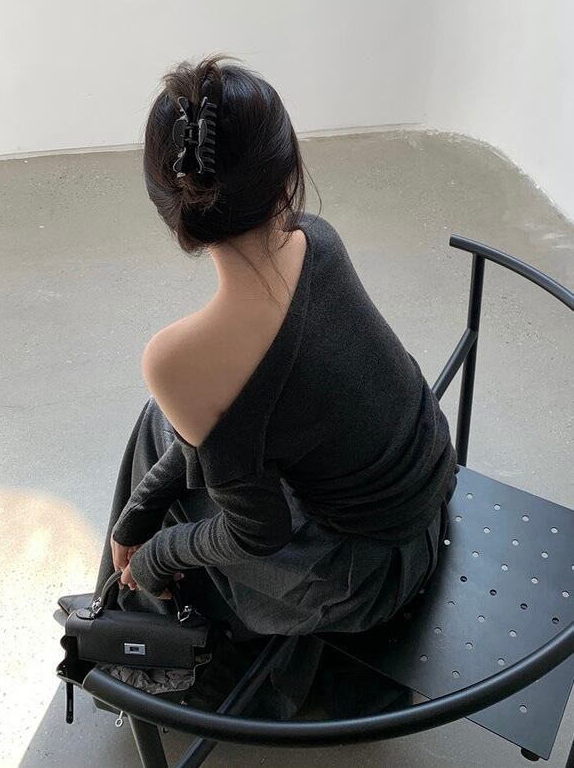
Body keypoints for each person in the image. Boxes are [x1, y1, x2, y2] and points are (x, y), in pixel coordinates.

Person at [90, 53, 458, 718]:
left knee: (166, 439)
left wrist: (157, 555)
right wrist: (138, 512)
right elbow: (227, 422)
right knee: (169, 429)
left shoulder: (176, 359)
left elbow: (257, 532)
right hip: (426, 478)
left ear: (174, 210)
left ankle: (143, 643)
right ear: (288, 178)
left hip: (373, 570)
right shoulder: (317, 240)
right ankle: (137, 608)